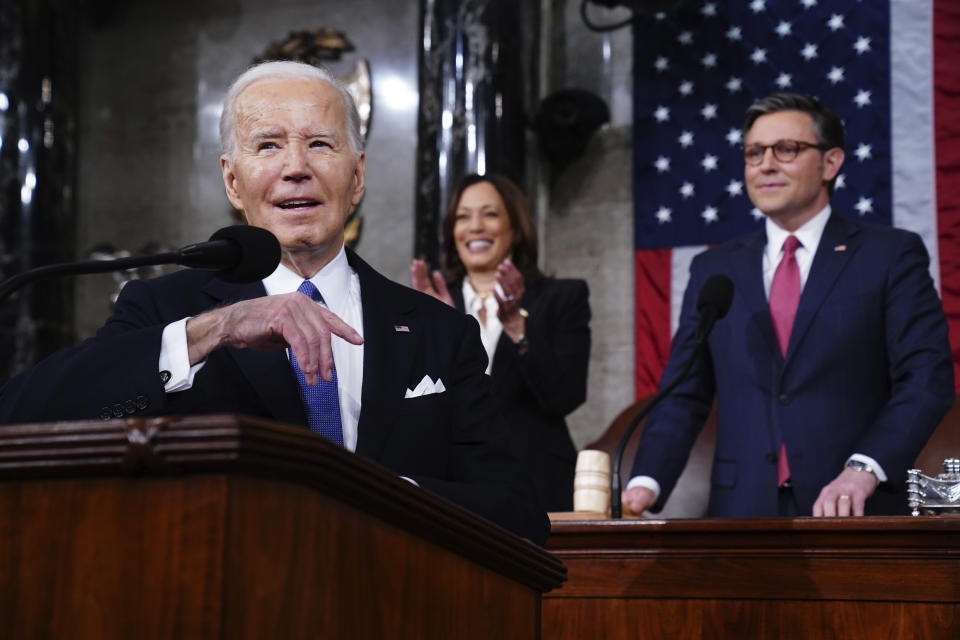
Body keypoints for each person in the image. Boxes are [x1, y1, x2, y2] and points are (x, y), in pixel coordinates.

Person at [0, 61, 549, 544]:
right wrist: (212, 331)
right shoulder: (167, 309)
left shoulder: (437, 331)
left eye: (319, 143)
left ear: (356, 177)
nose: (295, 167)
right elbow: (23, 418)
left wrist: (388, 496)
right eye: (267, 145)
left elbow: (519, 512)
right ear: (233, 181)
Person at [622, 92, 954, 518]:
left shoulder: (889, 256)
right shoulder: (715, 269)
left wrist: (865, 468)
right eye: (754, 152)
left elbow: (926, 378)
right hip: (741, 514)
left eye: (787, 149)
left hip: (856, 508)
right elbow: (684, 392)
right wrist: (645, 482)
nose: (765, 165)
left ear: (831, 163)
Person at [411, 173, 591, 512]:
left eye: (490, 214)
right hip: (451, 487)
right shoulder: (430, 304)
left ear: (515, 228)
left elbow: (565, 396)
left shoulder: (562, 298)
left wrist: (517, 328)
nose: (475, 226)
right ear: (453, 231)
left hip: (537, 486)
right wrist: (442, 335)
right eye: (463, 217)